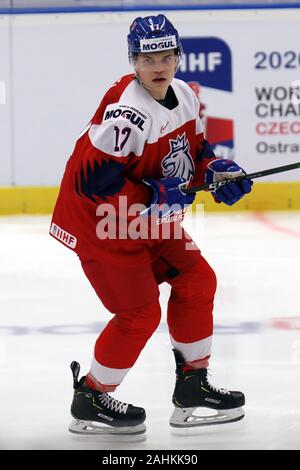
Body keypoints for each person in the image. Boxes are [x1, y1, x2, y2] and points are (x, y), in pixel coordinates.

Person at [50, 14, 252, 435]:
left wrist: (216, 170)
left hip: (147, 220)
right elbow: (93, 182)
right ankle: (91, 396)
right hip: (102, 223)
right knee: (139, 314)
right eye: (147, 57)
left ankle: (192, 387)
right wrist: (153, 196)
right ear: (133, 62)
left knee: (198, 280)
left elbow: (195, 151)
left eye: (165, 55)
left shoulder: (185, 95)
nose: (157, 65)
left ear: (178, 57)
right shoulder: (127, 113)